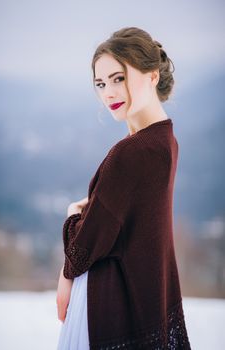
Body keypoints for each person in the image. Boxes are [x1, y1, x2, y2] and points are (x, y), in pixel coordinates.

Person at [56, 26, 192, 349]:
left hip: (107, 312)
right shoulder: (166, 141)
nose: (109, 93)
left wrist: (72, 217)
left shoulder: (131, 152)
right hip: (140, 308)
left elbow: (84, 250)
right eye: (101, 84)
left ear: (152, 76)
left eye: (118, 78)